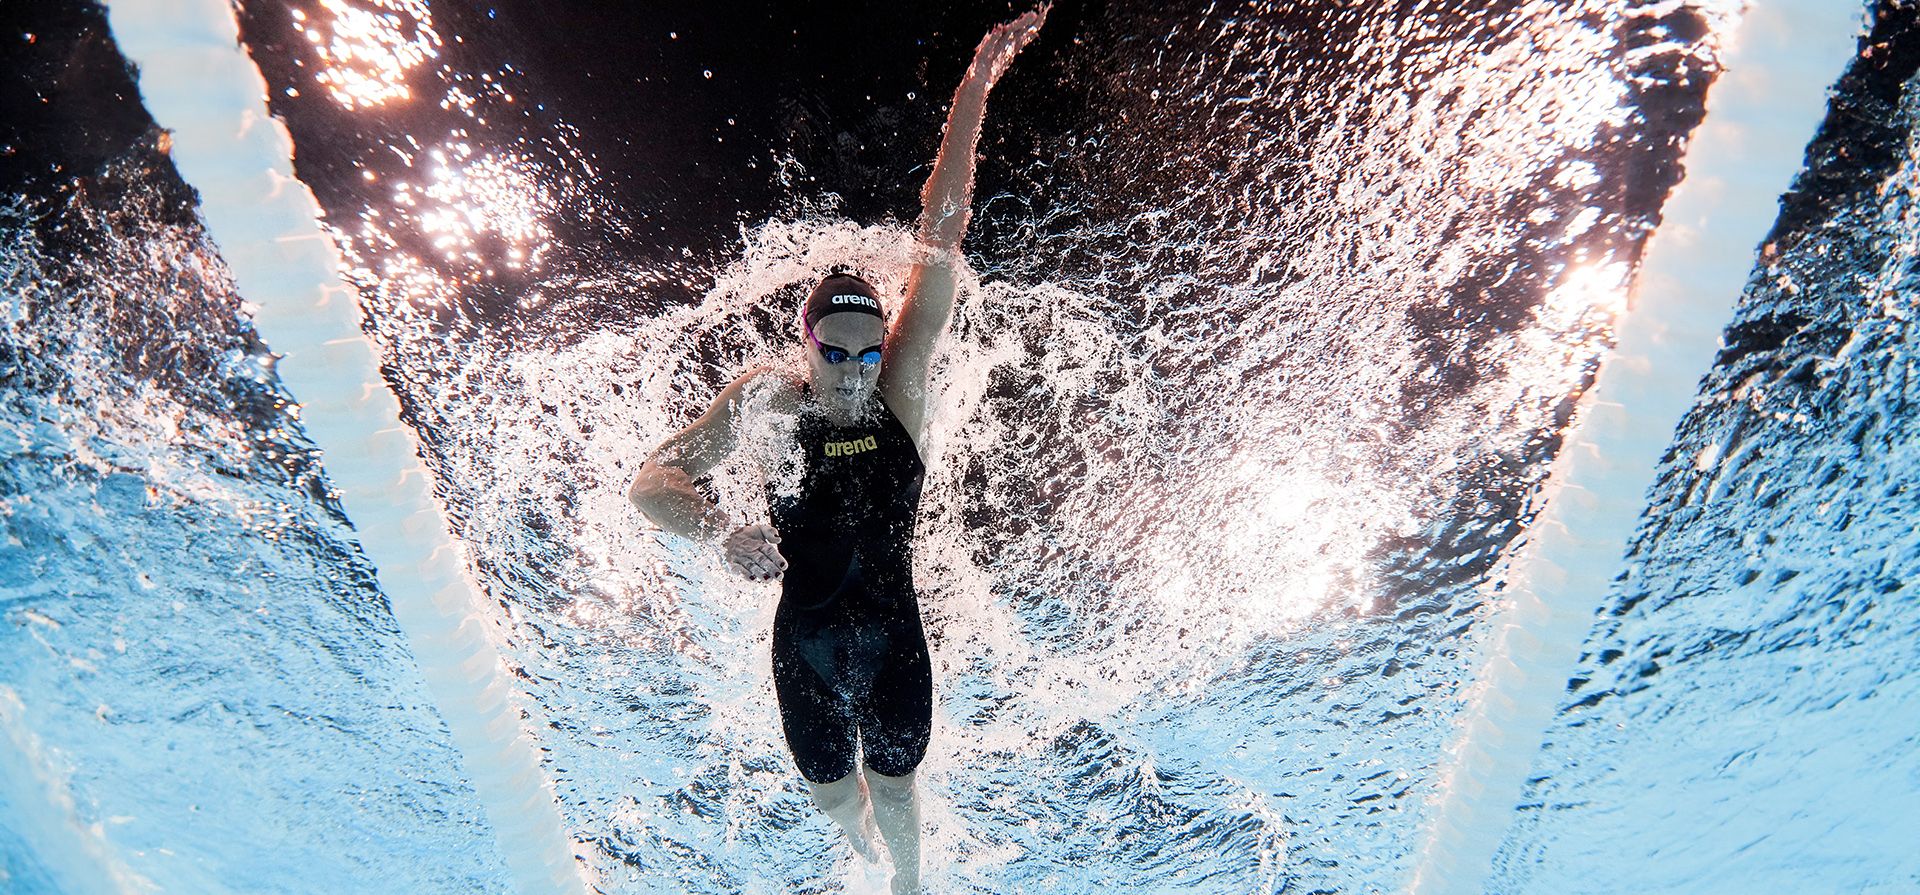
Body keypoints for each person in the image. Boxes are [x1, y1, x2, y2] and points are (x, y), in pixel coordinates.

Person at [627, 8, 1048, 893]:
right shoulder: (768, 401)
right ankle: (864, 856)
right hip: (806, 637)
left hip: (896, 630)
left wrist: (974, 86)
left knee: (897, 790)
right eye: (836, 352)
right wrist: (716, 531)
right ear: (807, 344)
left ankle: (908, 884)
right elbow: (651, 482)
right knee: (833, 800)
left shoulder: (901, 382)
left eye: (868, 350)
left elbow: (943, 226)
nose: (857, 369)